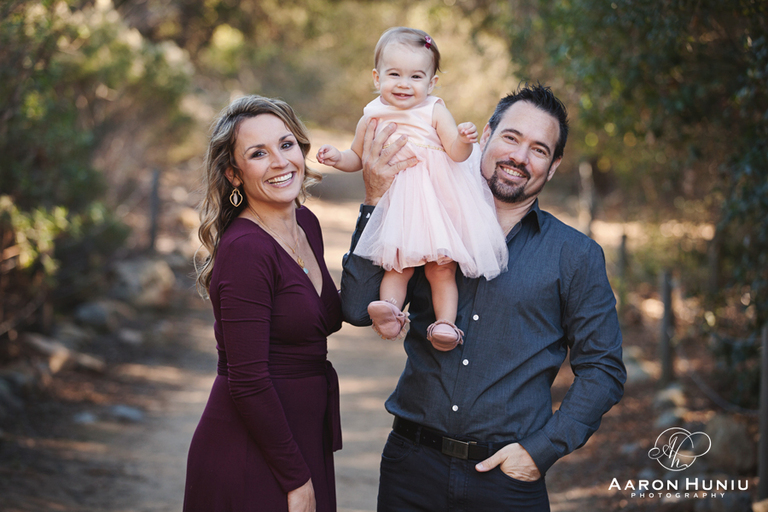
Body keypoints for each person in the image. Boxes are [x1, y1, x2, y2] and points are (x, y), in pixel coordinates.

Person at [340, 83, 627, 511]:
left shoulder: (575, 256)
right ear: (487, 135)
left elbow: (603, 368)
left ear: (553, 166)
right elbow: (356, 308)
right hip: (411, 470)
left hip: (507, 484)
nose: (519, 157)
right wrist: (375, 199)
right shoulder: (424, 216)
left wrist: (541, 450)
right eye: (511, 137)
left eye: (539, 149)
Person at [184, 95, 343, 512]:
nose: (279, 162)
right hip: (252, 452)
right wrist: (296, 479)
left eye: (285, 144)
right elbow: (248, 380)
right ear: (235, 174)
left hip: (301, 438)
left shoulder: (305, 223)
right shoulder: (247, 250)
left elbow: (322, 314)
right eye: (258, 153)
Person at [317, 27, 507, 351]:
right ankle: (389, 312)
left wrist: (462, 139)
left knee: (441, 268)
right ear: (377, 78)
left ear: (431, 83)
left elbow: (456, 154)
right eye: (395, 74)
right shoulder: (371, 116)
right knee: (397, 264)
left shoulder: (434, 110)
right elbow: (358, 157)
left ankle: (446, 324)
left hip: (437, 202)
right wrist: (338, 158)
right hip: (400, 205)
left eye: (416, 76)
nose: (404, 83)